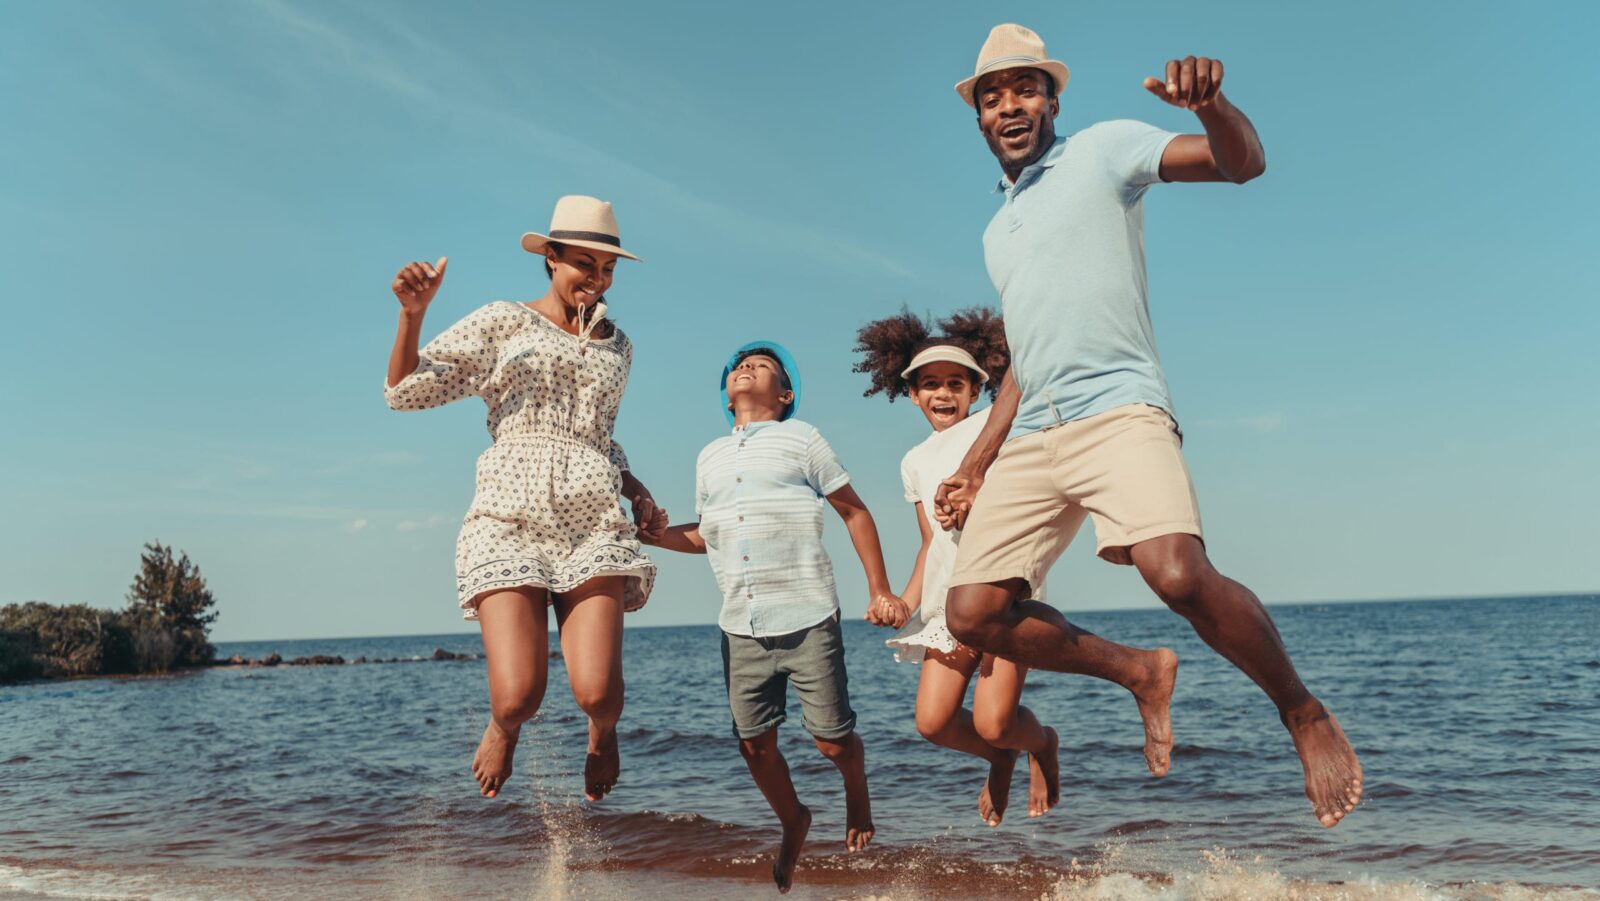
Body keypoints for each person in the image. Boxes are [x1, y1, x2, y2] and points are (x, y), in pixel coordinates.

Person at [935, 24, 1363, 827]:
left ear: (1052, 99)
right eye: (992, 96)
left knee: (1174, 573)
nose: (1009, 105)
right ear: (981, 119)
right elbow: (1025, 356)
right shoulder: (997, 230)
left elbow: (1243, 164)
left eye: (1025, 88)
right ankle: (1138, 669)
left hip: (1117, 405)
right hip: (1033, 437)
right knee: (972, 613)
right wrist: (979, 460)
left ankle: (1301, 709)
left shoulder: (1104, 150)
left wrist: (1214, 108)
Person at [384, 195, 667, 803]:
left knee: (598, 692)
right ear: (551, 258)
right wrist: (414, 315)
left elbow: (600, 437)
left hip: (591, 518)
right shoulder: (503, 321)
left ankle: (602, 733)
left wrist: (635, 487)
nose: (596, 280)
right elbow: (404, 391)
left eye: (608, 269)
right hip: (509, 512)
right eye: (583, 265)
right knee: (519, 695)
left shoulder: (620, 346)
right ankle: (503, 728)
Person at [643, 341, 899, 893]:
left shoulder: (801, 438)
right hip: (741, 625)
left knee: (831, 741)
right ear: (726, 395)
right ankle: (794, 821)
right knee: (754, 744)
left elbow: (854, 511)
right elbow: (705, 533)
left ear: (784, 395)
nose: (745, 367)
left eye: (762, 366)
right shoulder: (709, 455)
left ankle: (856, 790)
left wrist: (880, 588)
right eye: (739, 365)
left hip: (807, 613)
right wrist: (656, 537)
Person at [855, 307, 1114, 824]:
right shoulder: (914, 461)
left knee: (998, 721)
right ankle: (1000, 758)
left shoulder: (997, 429)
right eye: (930, 384)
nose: (943, 393)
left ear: (977, 389)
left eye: (956, 382)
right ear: (912, 393)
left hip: (999, 599)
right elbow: (931, 542)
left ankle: (1040, 743)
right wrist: (906, 602)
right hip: (945, 608)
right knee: (933, 723)